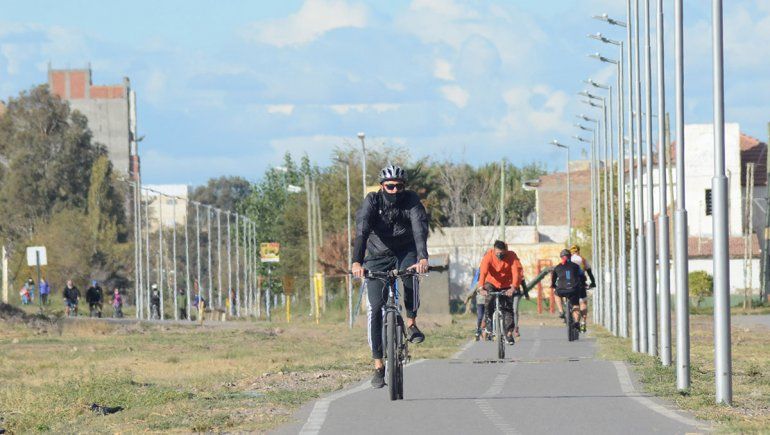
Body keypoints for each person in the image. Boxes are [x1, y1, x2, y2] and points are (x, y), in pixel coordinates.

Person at [351, 164, 429, 389]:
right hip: (377, 255)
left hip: (405, 251)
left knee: (411, 275)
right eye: (390, 186)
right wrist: (357, 262)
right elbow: (362, 231)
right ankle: (378, 365)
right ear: (382, 186)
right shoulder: (372, 202)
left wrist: (422, 258)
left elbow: (419, 231)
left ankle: (412, 322)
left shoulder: (412, 201)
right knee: (375, 308)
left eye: (399, 187)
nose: (394, 190)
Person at [476, 240, 524, 345]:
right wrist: (481, 288)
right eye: (497, 253)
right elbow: (483, 272)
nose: (499, 255)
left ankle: (509, 334)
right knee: (489, 299)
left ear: (505, 251)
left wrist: (513, 287)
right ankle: (488, 322)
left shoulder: (511, 256)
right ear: (494, 250)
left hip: (506, 284)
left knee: (508, 309)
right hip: (491, 282)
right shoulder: (489, 255)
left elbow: (516, 272)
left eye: (502, 253)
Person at [551, 249, 586, 331]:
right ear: (570, 257)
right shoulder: (576, 266)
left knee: (556, 294)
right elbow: (582, 276)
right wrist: (583, 283)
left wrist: (553, 285)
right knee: (576, 305)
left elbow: (553, 279)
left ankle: (561, 311)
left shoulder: (557, 267)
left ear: (561, 257)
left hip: (561, 290)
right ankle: (577, 322)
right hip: (574, 289)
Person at [569, 245, 594, 332]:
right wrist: (593, 282)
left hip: (568, 284)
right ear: (578, 251)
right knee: (583, 302)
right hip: (580, 284)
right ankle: (583, 322)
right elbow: (589, 272)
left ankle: (575, 320)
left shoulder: (567, 260)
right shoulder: (583, 259)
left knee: (574, 303)